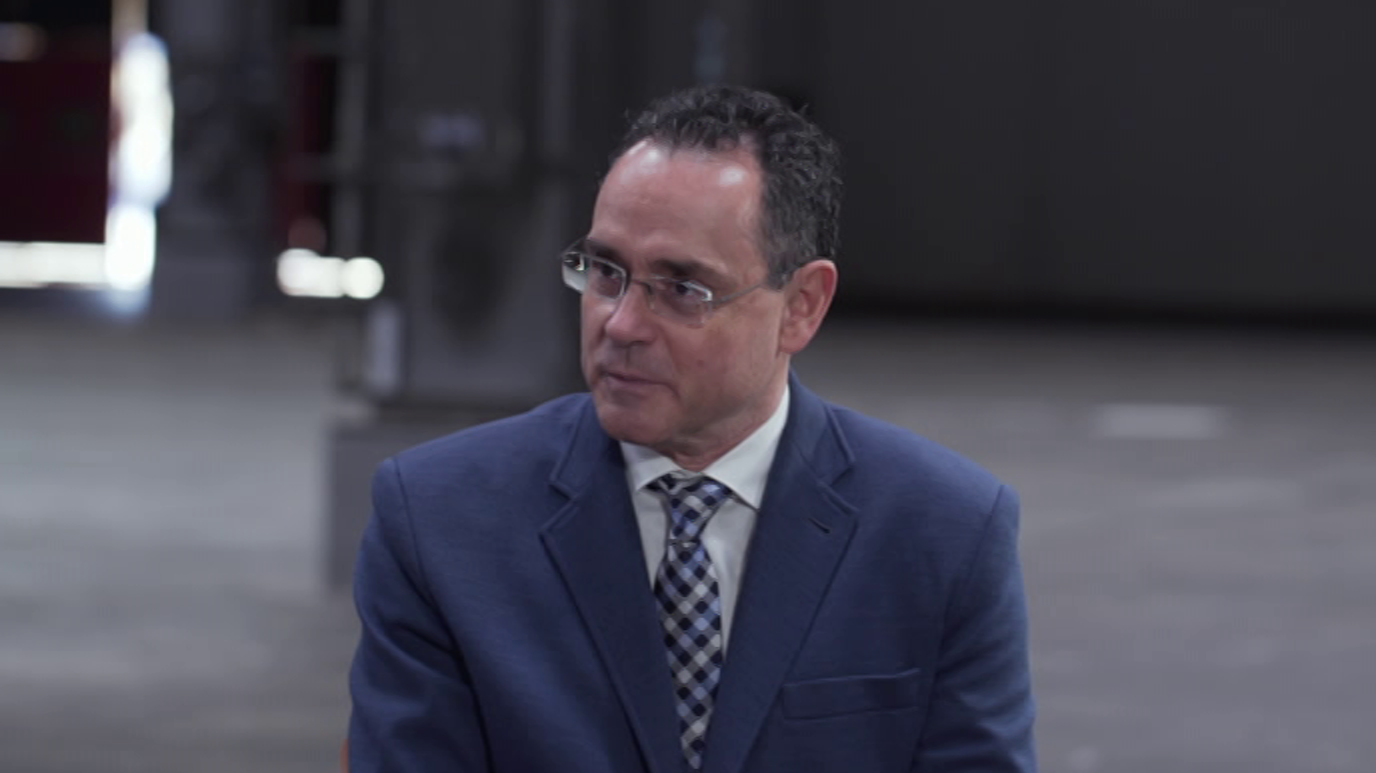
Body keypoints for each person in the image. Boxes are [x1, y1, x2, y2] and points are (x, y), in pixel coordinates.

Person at [347, 84, 1036, 773]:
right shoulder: (438, 520)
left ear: (802, 306)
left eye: (682, 289)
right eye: (606, 271)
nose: (621, 324)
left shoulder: (945, 533)